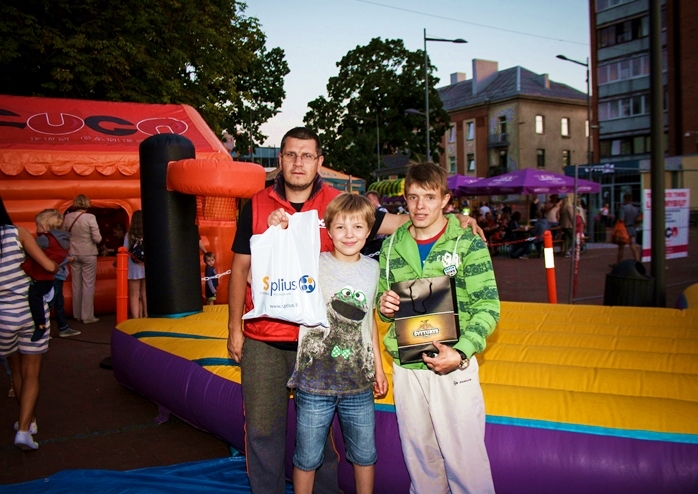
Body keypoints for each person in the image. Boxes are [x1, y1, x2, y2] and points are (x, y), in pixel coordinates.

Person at [227, 127, 484, 494]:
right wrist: (234, 328)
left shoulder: (340, 203)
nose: (298, 162)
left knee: (323, 439)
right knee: (264, 430)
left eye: (307, 155)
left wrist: (456, 217)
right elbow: (240, 268)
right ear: (279, 159)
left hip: (320, 345)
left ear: (319, 161)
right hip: (266, 337)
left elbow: (404, 220)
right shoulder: (256, 205)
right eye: (290, 155)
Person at [377, 162, 499, 493]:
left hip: (452, 366)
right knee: (420, 459)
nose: (420, 207)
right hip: (408, 365)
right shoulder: (390, 247)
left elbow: (488, 308)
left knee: (466, 462)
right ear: (404, 198)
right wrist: (384, 306)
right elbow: (384, 304)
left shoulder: (467, 243)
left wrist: (459, 353)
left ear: (445, 200)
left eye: (429, 198)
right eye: (413, 197)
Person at [285, 193, 388, 494]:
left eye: (357, 227)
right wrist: (277, 228)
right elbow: (272, 268)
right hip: (315, 381)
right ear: (328, 230)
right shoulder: (313, 264)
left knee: (365, 454)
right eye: (341, 227)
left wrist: (378, 370)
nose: (349, 235)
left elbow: (370, 324)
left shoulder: (373, 270)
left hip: (358, 382)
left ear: (369, 231)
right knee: (307, 456)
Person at [0, 196, 59, 450]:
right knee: (31, 372)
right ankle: (25, 429)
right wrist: (54, 263)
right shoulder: (18, 233)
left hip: (2, 316)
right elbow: (48, 265)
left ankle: (29, 419)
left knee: (15, 369)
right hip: (29, 312)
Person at [21, 209, 71, 341]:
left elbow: (30, 248)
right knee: (54, 302)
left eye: (37, 225)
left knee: (35, 297)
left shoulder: (44, 239)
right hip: (51, 277)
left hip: (42, 276)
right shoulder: (64, 241)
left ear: (44, 226)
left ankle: (40, 324)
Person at [64, 195, 102, 324]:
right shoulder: (90, 217)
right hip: (88, 253)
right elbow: (97, 239)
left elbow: (65, 235)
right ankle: (87, 316)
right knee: (88, 285)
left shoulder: (67, 217)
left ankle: (77, 314)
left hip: (73, 253)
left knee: (76, 284)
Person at [125, 210, 147, 319]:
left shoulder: (128, 235)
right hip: (146, 266)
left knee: (134, 295)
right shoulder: (148, 233)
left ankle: (135, 318)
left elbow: (125, 251)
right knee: (145, 293)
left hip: (133, 267)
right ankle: (147, 316)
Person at [360, 190, 387, 260]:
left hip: (378, 242)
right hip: (372, 242)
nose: (367, 202)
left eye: (369, 199)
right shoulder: (372, 211)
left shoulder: (382, 211)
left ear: (375, 200)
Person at [615, 193, 641, 265]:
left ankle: (618, 263)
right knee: (633, 247)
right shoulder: (635, 209)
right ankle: (638, 262)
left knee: (621, 248)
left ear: (624, 199)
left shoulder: (623, 208)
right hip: (632, 229)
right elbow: (638, 219)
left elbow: (621, 219)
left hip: (624, 230)